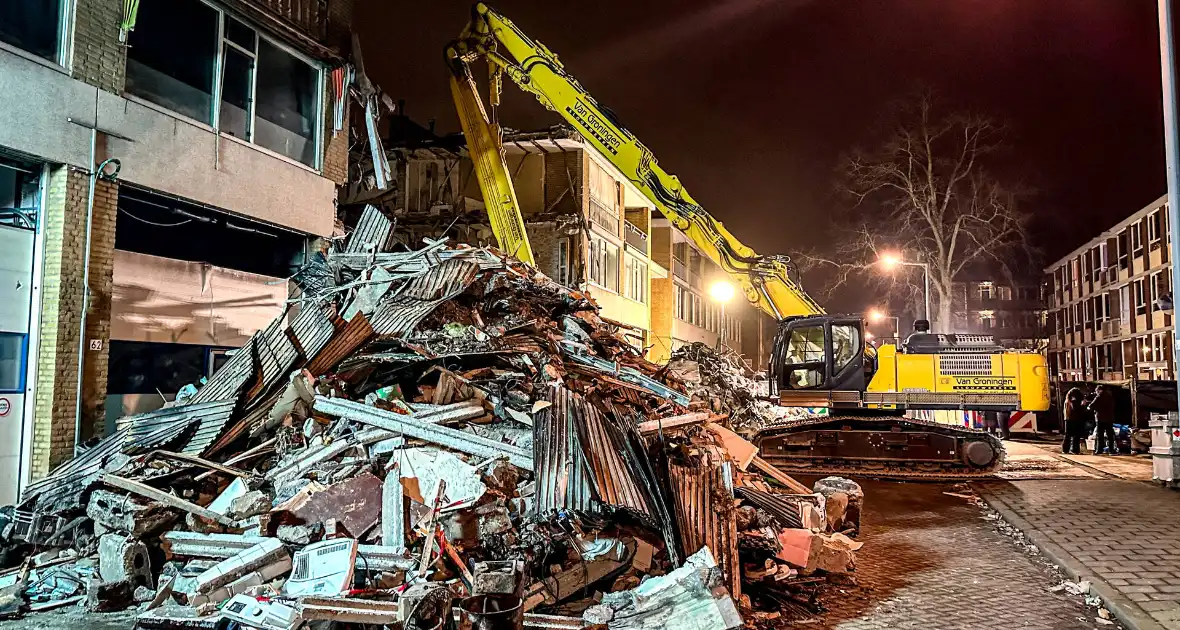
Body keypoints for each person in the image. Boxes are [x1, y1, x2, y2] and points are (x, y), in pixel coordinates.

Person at [1088, 384, 1117, 455]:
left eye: (1097, 391)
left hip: (1100, 419)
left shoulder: (1098, 397)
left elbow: (1091, 406)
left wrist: (1092, 409)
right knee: (1110, 435)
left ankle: (1099, 450)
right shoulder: (1110, 397)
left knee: (1099, 435)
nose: (1096, 392)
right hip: (1109, 418)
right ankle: (1111, 450)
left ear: (1100, 390)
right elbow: (1113, 406)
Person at [1062, 387, 1090, 455]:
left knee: (1067, 435)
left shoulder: (1067, 400)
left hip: (1068, 419)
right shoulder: (1074, 401)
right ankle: (1075, 450)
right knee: (1076, 435)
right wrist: (1083, 405)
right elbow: (1077, 409)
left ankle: (1065, 449)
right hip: (1075, 419)